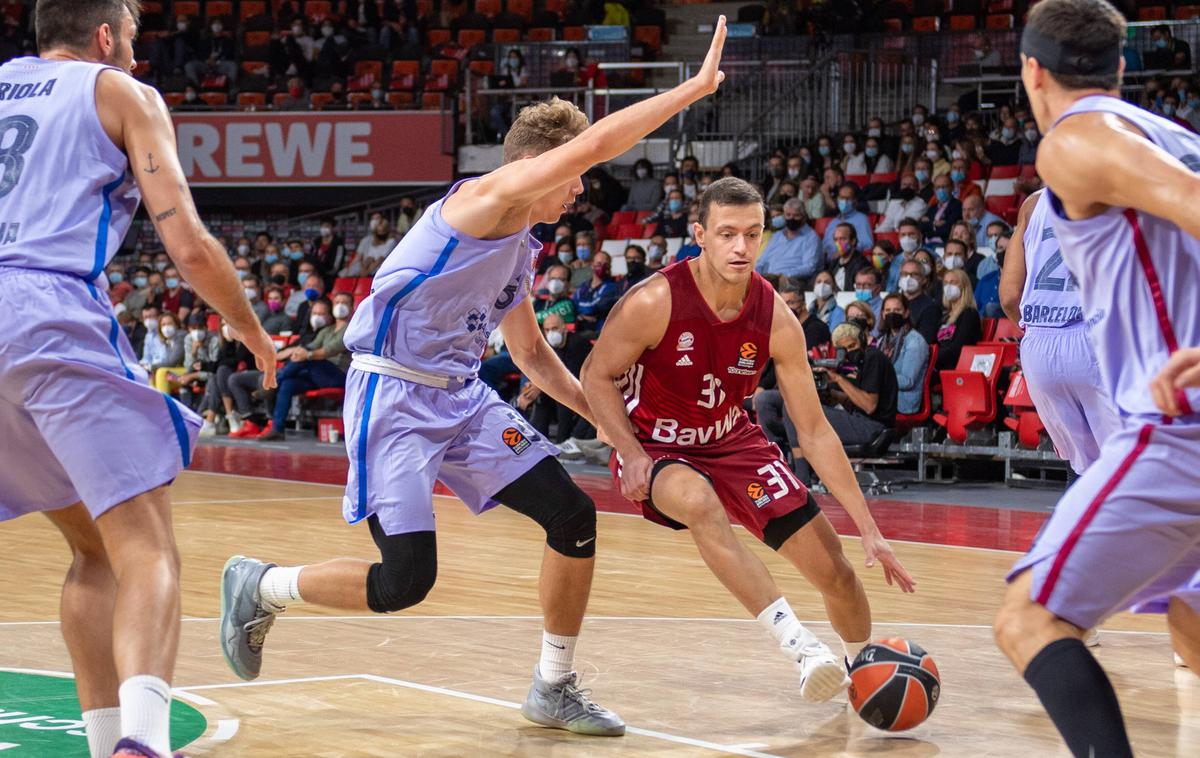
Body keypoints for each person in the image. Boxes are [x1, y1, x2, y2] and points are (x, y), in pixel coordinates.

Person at [219, 20, 736, 739]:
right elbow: (593, 145)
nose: (581, 188)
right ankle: (262, 584)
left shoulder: (520, 250)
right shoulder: (482, 202)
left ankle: (554, 685)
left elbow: (530, 356)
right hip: (394, 394)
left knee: (572, 516)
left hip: (460, 397)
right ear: (541, 168)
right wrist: (694, 88)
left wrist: (615, 429)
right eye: (572, 175)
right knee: (405, 582)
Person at [0, 4, 278, 757]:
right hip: (45, 312)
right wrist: (247, 326)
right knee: (145, 546)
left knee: (92, 549)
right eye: (129, 30)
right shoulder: (120, 91)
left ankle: (102, 746)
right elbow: (186, 244)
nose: (132, 44)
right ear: (103, 35)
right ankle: (143, 745)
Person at [582, 177, 913, 707]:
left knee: (838, 573)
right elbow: (595, 374)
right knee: (700, 503)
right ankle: (803, 649)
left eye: (752, 234)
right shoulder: (654, 301)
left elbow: (815, 430)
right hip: (657, 443)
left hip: (732, 439)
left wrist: (870, 530)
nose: (741, 247)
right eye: (727, 233)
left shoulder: (777, 318)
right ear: (700, 235)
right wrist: (629, 451)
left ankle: (864, 677)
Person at [994, 5, 1200, 756]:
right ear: (1119, 68)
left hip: (1179, 430)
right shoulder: (1176, 138)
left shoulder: (1074, 139)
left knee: (1028, 621)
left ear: (1032, 71)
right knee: (1191, 615)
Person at [999, 188, 1123, 483]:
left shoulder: (1032, 204)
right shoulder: (1122, 191)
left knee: (1081, 468)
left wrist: (1036, 325)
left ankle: (1075, 528)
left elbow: (1008, 297)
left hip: (1039, 345)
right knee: (1130, 466)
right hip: (1094, 337)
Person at [256, 297, 351, 440]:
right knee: (289, 384)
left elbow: (329, 350)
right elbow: (310, 347)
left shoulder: (350, 329)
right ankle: (278, 429)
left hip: (338, 375)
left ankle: (272, 383)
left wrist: (306, 355)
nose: (340, 306)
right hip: (318, 374)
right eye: (337, 303)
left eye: (344, 303)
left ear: (352, 307)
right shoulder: (327, 330)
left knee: (308, 360)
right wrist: (299, 353)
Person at [522, 313, 596, 443]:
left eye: (555, 328)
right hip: (564, 386)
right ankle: (539, 441)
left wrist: (540, 386)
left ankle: (563, 442)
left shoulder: (577, 344)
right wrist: (530, 389)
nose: (551, 333)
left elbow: (569, 380)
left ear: (564, 328)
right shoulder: (548, 346)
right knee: (541, 397)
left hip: (587, 388)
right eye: (548, 330)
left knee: (561, 397)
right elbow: (540, 369)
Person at [878, 295, 930, 415]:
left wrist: (877, 378)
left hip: (902, 403)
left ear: (906, 313)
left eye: (897, 310)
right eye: (888, 310)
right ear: (882, 314)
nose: (892, 314)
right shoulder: (883, 340)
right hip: (884, 398)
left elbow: (908, 381)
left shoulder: (914, 341)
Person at [755, 197, 821, 282]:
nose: (791, 219)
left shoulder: (811, 238)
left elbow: (809, 267)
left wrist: (783, 275)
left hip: (793, 281)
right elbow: (761, 262)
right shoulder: (777, 236)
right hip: (768, 279)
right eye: (788, 215)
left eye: (796, 215)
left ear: (804, 217)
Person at [934, 268, 982, 370]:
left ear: (964, 286)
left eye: (953, 283)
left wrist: (933, 359)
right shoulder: (945, 316)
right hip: (940, 365)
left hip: (957, 366)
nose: (948, 287)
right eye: (946, 283)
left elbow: (958, 348)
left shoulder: (969, 314)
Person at [897, 257, 942, 344]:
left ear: (924, 280)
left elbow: (924, 342)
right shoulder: (893, 303)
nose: (908, 278)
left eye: (914, 274)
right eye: (905, 274)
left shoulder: (930, 308)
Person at [821, 183, 873, 257]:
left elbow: (867, 245)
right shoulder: (832, 222)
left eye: (847, 198)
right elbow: (824, 245)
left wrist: (844, 250)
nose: (844, 201)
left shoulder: (861, 219)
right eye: (841, 198)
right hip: (830, 264)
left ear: (855, 201)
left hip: (849, 261)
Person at [572, 249, 620, 329]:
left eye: (606, 265)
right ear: (592, 265)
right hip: (581, 327)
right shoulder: (584, 286)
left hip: (599, 330)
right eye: (599, 264)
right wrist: (582, 315)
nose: (602, 267)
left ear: (610, 267)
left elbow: (593, 308)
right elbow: (574, 304)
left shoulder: (611, 287)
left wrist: (581, 314)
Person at [141, 312, 186, 394]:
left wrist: (151, 367)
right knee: (151, 376)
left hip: (188, 370)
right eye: (163, 325)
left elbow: (172, 362)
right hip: (176, 372)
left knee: (161, 372)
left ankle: (162, 404)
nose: (166, 327)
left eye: (169, 323)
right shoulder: (167, 340)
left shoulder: (180, 336)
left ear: (176, 325)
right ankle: (155, 402)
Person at [920, 173, 961, 242]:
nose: (941, 190)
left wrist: (928, 230)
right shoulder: (932, 208)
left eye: (944, 187)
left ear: (952, 187)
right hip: (926, 245)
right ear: (934, 190)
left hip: (944, 245)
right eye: (938, 187)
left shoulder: (957, 205)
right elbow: (921, 226)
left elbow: (947, 230)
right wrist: (934, 224)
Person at [311, 217, 347, 284]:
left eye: (327, 226)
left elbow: (338, 263)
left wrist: (328, 274)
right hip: (316, 273)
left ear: (332, 228)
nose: (324, 228)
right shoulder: (316, 241)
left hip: (330, 276)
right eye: (322, 226)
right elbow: (312, 257)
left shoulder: (338, 243)